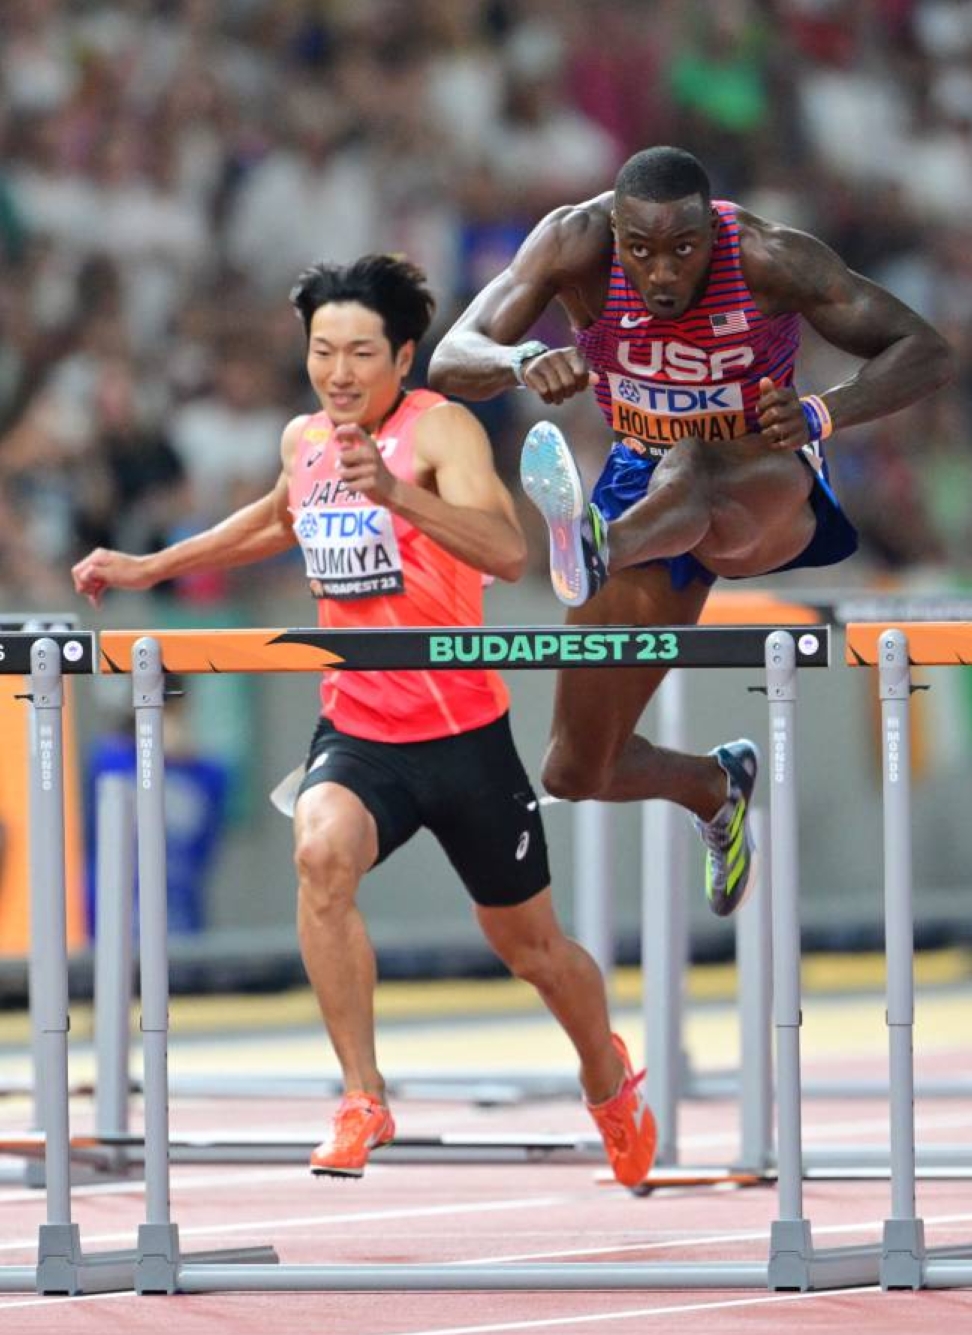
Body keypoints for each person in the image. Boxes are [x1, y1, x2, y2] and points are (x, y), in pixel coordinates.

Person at [71, 254, 656, 1188]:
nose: (338, 372)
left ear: (405, 353)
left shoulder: (443, 430)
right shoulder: (305, 438)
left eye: (359, 353)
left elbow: (507, 551)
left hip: (464, 737)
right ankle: (362, 1094)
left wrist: (394, 494)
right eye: (321, 351)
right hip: (360, 732)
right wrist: (148, 567)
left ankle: (608, 1077)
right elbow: (273, 520)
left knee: (532, 949)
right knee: (320, 853)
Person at [428, 145, 954, 918]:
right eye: (641, 251)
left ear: (715, 230)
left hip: (760, 479)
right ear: (615, 230)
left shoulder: (772, 256)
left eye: (684, 249)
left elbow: (926, 350)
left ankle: (597, 543)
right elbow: (449, 357)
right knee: (576, 769)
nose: (663, 273)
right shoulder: (574, 243)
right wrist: (522, 359)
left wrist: (823, 409)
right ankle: (713, 785)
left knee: (694, 463)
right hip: (643, 491)